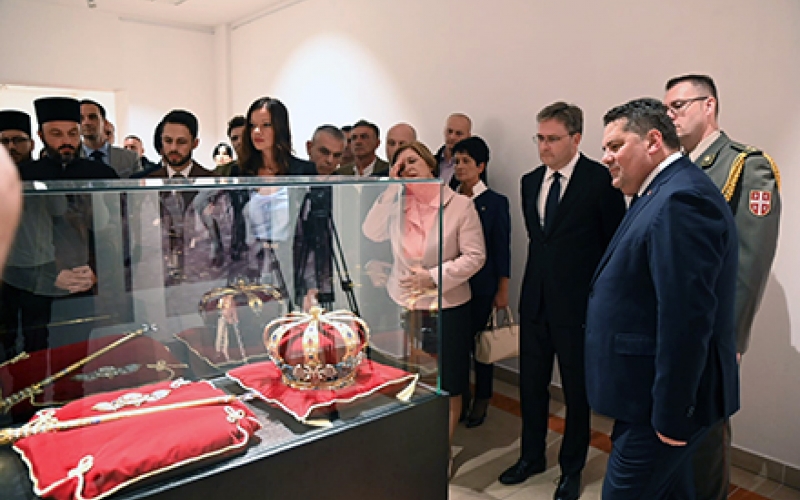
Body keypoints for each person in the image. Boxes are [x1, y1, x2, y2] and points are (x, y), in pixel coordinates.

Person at [587, 97, 740, 499]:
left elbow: (686, 319)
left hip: (657, 407)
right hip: (645, 398)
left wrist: (672, 415)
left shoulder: (681, 200)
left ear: (653, 141)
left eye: (615, 146)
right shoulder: (659, 192)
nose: (605, 158)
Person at [663, 74, 782, 500]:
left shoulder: (745, 166)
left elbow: (751, 261)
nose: (670, 116)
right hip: (674, 324)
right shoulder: (676, 167)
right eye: (667, 108)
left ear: (708, 105)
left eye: (678, 106)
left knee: (705, 435)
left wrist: (731, 337)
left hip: (711, 330)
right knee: (673, 429)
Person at [500, 102, 625, 500]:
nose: (544, 146)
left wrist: (603, 305)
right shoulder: (529, 182)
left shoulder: (600, 180)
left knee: (576, 392)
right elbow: (541, 244)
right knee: (531, 387)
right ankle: (531, 456)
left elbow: (613, 247)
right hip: (535, 303)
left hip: (578, 308)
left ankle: (572, 468)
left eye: (553, 139)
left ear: (576, 138)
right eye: (539, 138)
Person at [363, 141, 485, 464]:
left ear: (431, 165)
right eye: (400, 164)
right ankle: (410, 444)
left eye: (412, 160)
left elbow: (476, 256)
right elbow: (370, 231)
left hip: (447, 306)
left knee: (449, 383)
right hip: (403, 304)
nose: (407, 168)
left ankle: (440, 453)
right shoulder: (396, 205)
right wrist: (390, 188)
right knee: (408, 378)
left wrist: (433, 276)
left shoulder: (460, 205)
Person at [452, 136, 510, 428]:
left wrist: (503, 289)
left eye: (466, 161)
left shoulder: (495, 203)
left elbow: (502, 249)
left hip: (483, 286)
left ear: (481, 166)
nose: (460, 167)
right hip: (453, 286)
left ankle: (483, 397)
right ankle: (459, 398)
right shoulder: (448, 198)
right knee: (457, 347)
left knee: (483, 347)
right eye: (456, 161)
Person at [79, 99, 141, 178]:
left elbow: (139, 184)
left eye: (92, 117)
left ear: (104, 122)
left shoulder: (129, 157)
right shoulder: (71, 158)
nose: (86, 122)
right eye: (81, 118)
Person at [434, 113, 473, 189]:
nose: (452, 137)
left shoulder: (472, 166)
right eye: (449, 131)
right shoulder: (431, 162)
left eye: (459, 134)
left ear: (468, 137)